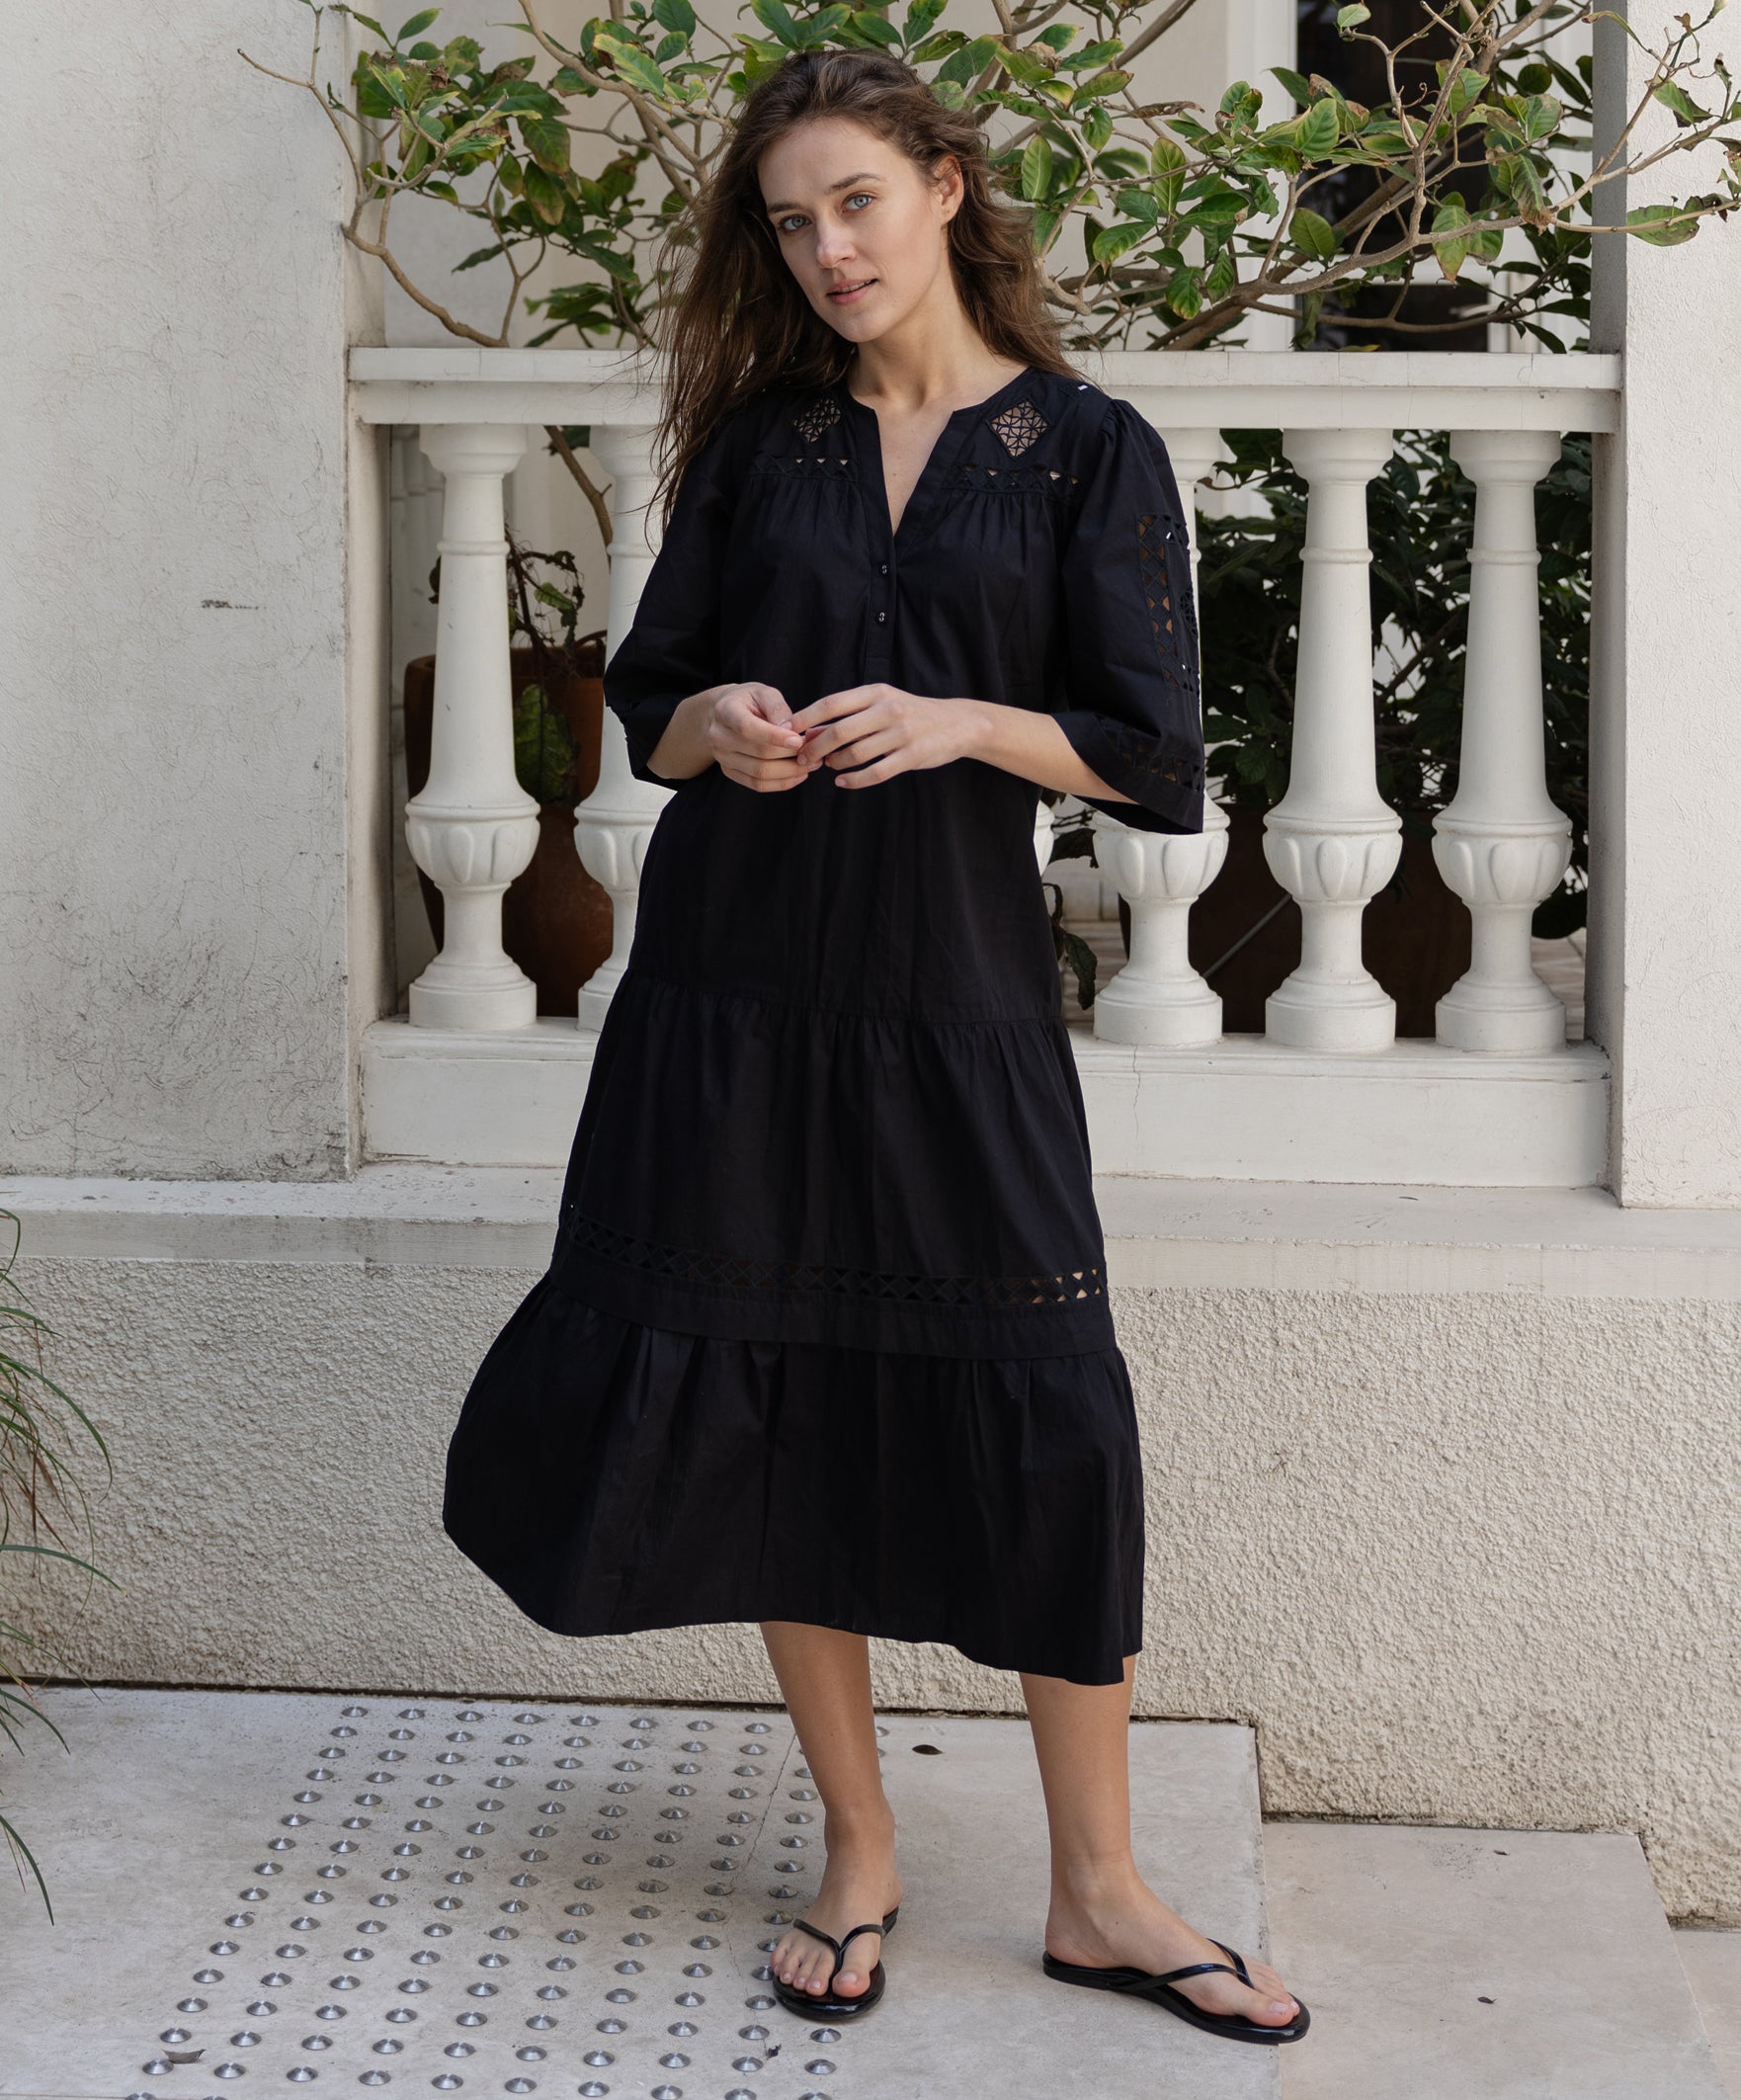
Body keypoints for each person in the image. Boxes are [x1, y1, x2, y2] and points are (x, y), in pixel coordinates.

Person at [442, 45, 1306, 2049]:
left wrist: (961, 721)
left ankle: (1098, 1886)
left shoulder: (1081, 450)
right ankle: (858, 1851)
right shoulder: (764, 450)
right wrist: (725, 721)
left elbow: (1156, 758)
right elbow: (646, 707)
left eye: (850, 201)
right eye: (784, 220)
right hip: (730, 994)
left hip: (954, 996)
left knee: (1047, 1396)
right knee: (770, 1391)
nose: (822, 248)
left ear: (939, 185)